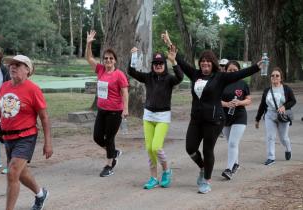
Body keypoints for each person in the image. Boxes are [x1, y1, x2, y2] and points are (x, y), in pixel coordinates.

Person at [162, 31, 262, 194]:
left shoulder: (220, 77)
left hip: (214, 120)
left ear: (213, 64)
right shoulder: (195, 74)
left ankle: (206, 181)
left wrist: (257, 67)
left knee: (208, 150)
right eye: (203, 62)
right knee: (190, 148)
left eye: (208, 62)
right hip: (196, 119)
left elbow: (240, 73)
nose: (205, 65)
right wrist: (169, 42)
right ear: (200, 63)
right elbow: (178, 59)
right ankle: (203, 167)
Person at [0, 54, 53, 210]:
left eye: (18, 65)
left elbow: (44, 117)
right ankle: (40, 194)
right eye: (12, 64)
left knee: (12, 172)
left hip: (26, 136)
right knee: (21, 173)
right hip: (8, 136)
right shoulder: (5, 86)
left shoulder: (33, 90)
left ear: (27, 70)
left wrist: (48, 143)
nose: (13, 67)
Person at [128, 47, 183, 189]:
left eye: (161, 63)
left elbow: (180, 77)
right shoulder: (148, 77)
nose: (158, 65)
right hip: (148, 116)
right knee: (149, 149)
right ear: (153, 65)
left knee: (156, 147)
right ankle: (153, 177)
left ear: (164, 65)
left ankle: (166, 170)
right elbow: (131, 72)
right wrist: (134, 56)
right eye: (155, 63)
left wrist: (174, 62)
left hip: (163, 117)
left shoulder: (170, 79)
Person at [85, 30, 129, 177]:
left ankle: (109, 165)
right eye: (106, 58)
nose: (108, 61)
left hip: (115, 112)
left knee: (109, 138)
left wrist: (125, 109)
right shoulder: (101, 70)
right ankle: (114, 152)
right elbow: (89, 58)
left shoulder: (119, 75)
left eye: (111, 58)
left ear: (115, 60)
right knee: (97, 137)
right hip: (102, 110)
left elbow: (125, 93)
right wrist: (88, 43)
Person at [255, 67, 296, 166]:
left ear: (281, 78)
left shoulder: (286, 89)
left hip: (282, 115)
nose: (274, 77)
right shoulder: (267, 90)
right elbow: (262, 105)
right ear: (270, 78)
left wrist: (284, 107)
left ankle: (288, 148)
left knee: (283, 138)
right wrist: (257, 119)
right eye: (272, 75)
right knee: (270, 137)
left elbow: (293, 101)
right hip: (270, 115)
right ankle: (271, 157)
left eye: (277, 75)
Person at [220, 60, 251, 180]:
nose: (232, 72)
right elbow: (215, 100)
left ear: (239, 71)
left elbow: (248, 100)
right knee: (231, 143)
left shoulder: (243, 83)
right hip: (225, 117)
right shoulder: (221, 83)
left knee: (233, 143)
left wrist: (239, 102)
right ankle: (236, 164)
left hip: (240, 116)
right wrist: (226, 104)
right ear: (225, 71)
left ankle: (229, 169)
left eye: (235, 70)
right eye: (230, 70)